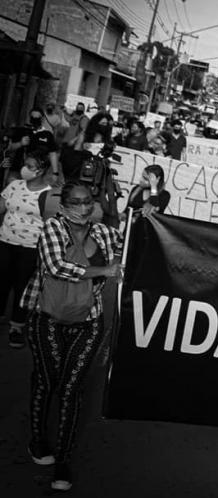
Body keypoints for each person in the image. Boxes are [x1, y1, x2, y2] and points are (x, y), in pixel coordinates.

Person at [21, 182, 123, 492]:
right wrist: (103, 271)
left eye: (88, 201)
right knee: (47, 379)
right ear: (63, 204)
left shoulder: (104, 234)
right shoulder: (52, 227)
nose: (83, 207)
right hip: (47, 317)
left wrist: (147, 217)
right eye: (76, 202)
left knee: (71, 388)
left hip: (88, 320)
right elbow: (55, 267)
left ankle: (63, 459)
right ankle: (38, 438)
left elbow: (135, 243)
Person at [0, 154, 53, 347]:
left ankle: (16, 326)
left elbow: (50, 224)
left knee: (22, 287)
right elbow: (1, 207)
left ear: (40, 170)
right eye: (25, 165)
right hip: (5, 241)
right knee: (2, 281)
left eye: (30, 166)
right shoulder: (14, 186)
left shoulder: (48, 194)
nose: (25, 169)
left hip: (30, 248)